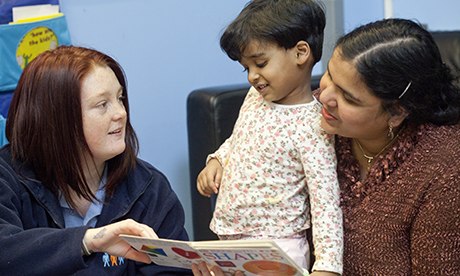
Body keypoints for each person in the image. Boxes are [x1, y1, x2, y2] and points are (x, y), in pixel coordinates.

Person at [0, 46, 192, 275]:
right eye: (102, 104)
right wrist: (89, 241)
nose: (121, 113)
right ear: (57, 118)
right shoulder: (7, 177)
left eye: (120, 98)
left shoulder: (149, 188)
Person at [196, 0, 343, 275]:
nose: (252, 76)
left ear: (301, 52)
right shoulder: (255, 98)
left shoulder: (314, 125)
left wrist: (327, 267)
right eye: (246, 68)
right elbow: (241, 139)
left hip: (279, 248)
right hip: (230, 240)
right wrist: (218, 160)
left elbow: (326, 203)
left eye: (260, 63)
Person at [318, 18, 460, 275]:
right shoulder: (317, 132)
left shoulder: (446, 169)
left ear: (396, 112)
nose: (324, 97)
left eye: (347, 97)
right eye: (329, 74)